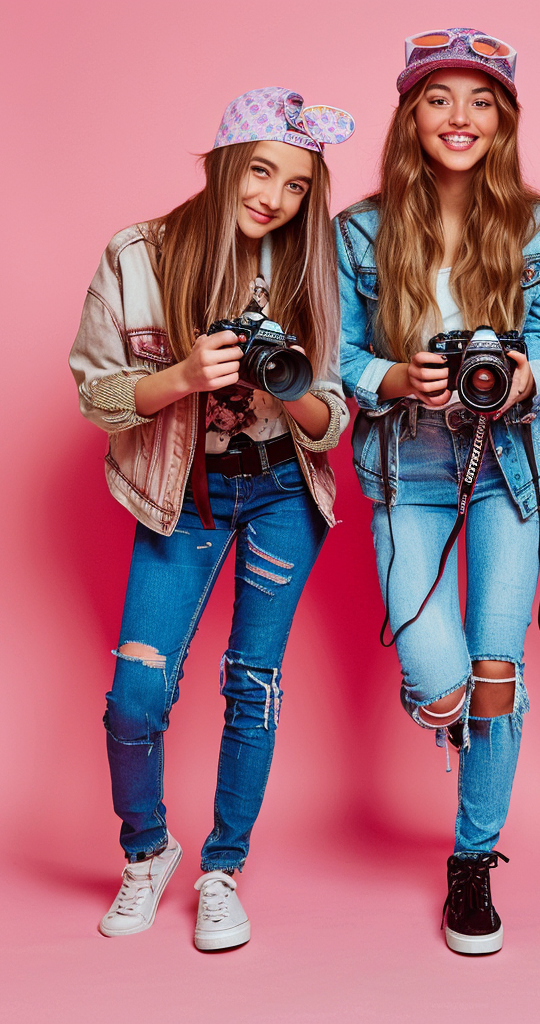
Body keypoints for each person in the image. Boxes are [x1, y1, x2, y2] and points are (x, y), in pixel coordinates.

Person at [69, 87, 354, 950]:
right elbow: (97, 395)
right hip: (178, 492)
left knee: (252, 686)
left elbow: (334, 420)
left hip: (279, 493)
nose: (274, 196)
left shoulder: (311, 266)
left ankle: (223, 869)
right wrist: (184, 378)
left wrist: (290, 389)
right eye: (262, 171)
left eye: (297, 185)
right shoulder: (138, 255)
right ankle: (147, 851)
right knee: (136, 696)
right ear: (227, 162)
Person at [336, 28, 540, 955]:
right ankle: (449, 716)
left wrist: (524, 372)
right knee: (442, 686)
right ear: (410, 115)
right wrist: (396, 380)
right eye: (439, 98)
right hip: (408, 468)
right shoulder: (359, 230)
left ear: (503, 120)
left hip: (512, 465)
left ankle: (473, 860)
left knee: (495, 672)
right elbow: (337, 352)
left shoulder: (539, 225)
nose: (460, 116)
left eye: (481, 101)